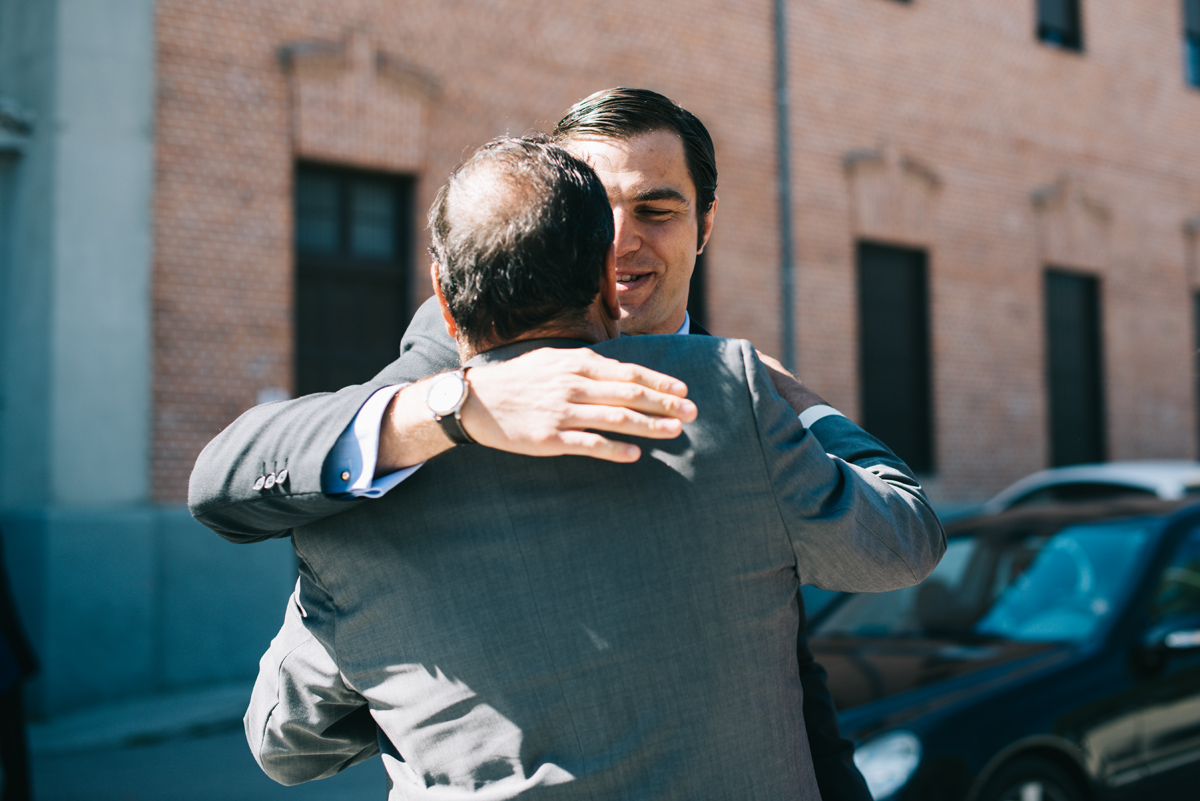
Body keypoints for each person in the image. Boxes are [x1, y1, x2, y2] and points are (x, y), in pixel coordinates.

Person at [189, 88, 938, 799]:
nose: (619, 239)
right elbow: (235, 474)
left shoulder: (736, 389)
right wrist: (461, 406)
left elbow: (291, 730)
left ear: (705, 224)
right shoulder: (433, 368)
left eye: (656, 208)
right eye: (593, 210)